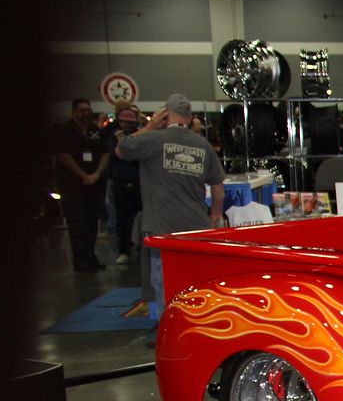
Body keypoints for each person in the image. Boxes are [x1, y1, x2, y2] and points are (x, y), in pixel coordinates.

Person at [116, 93, 225, 330]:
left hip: (162, 228)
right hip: (196, 227)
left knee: (162, 281)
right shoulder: (203, 145)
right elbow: (218, 189)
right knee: (197, 281)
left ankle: (168, 331)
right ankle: (197, 327)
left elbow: (121, 149)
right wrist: (215, 215)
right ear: (189, 117)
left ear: (165, 113)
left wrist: (150, 126)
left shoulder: (153, 139)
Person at [50, 97, 108, 271]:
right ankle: (80, 259)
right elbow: (64, 156)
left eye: (88, 110)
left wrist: (96, 174)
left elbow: (105, 153)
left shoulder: (95, 131)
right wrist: (83, 175)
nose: (86, 113)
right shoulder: (63, 130)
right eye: (82, 110)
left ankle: (91, 257)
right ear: (74, 111)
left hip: (94, 185)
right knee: (77, 223)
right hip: (72, 185)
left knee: (92, 223)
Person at [101, 107, 143, 264]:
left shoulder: (140, 136)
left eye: (130, 123)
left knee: (139, 219)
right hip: (120, 183)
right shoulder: (113, 137)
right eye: (124, 122)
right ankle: (123, 250)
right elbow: (117, 154)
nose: (127, 125)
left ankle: (141, 249)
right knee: (121, 219)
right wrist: (121, 142)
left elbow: (137, 155)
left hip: (138, 183)